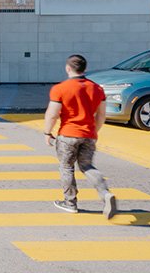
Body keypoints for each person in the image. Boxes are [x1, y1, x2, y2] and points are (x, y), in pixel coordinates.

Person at [44, 54, 117, 218]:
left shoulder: (60, 88)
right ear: (85, 69)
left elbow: (52, 114)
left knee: (66, 167)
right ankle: (105, 193)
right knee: (87, 166)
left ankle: (70, 202)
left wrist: (47, 132)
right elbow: (101, 115)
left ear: (68, 68)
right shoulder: (97, 89)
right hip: (89, 134)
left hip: (68, 135)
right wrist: (94, 131)